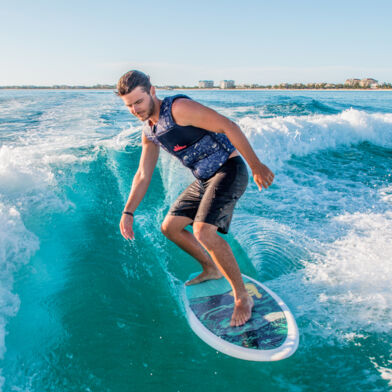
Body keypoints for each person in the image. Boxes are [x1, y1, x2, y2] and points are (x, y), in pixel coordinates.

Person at [116, 70, 274, 327]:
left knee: (203, 231)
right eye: (129, 105)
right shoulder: (150, 131)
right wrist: (128, 212)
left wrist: (256, 165)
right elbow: (143, 174)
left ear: (152, 92)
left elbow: (228, 126)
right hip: (204, 179)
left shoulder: (179, 109)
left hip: (229, 168)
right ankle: (210, 268)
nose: (134, 109)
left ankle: (242, 296)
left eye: (138, 101)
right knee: (170, 227)